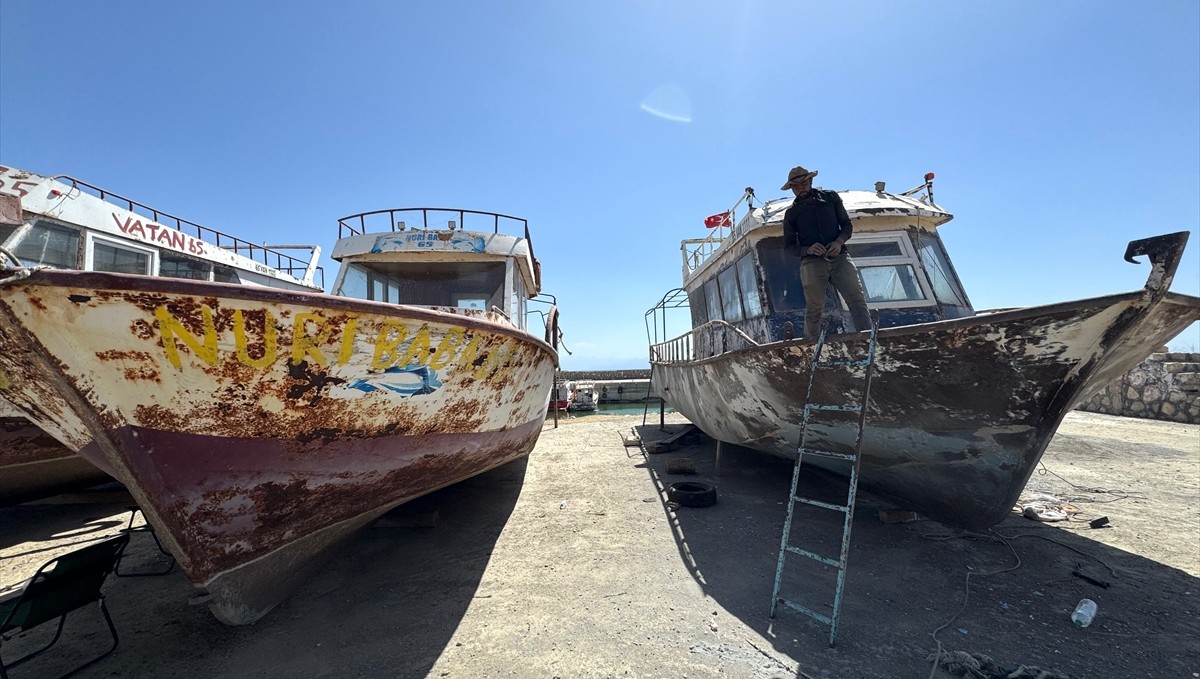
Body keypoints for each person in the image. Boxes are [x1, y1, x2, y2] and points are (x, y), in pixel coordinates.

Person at [780, 165, 872, 339]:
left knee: (856, 299)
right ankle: (810, 346)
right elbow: (789, 246)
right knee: (815, 307)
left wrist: (838, 242)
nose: (800, 188)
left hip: (840, 257)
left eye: (803, 183)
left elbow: (846, 225)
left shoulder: (831, 198)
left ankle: (868, 339)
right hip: (812, 262)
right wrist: (808, 249)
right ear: (791, 188)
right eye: (795, 186)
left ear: (811, 181)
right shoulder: (791, 213)